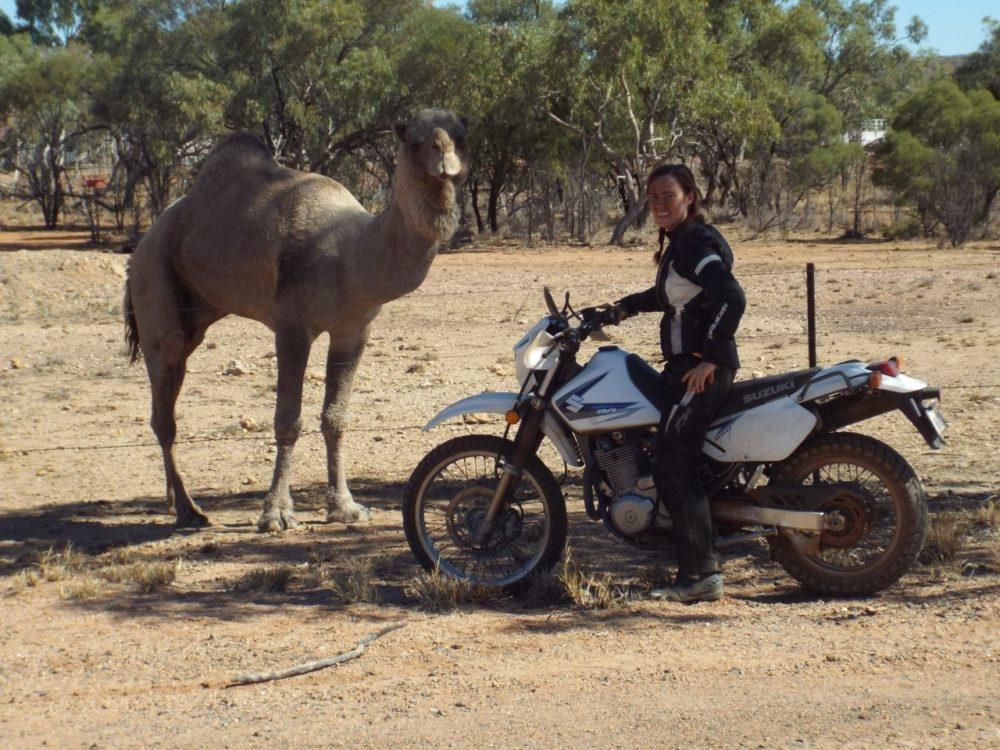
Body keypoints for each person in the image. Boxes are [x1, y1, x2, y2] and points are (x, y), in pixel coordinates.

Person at [583, 163, 746, 603]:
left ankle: (701, 576)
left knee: (674, 461)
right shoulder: (681, 245)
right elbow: (671, 297)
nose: (658, 204)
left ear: (690, 196)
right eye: (652, 197)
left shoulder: (696, 243)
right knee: (665, 447)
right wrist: (620, 309)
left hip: (701, 371)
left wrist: (711, 357)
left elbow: (731, 296)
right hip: (685, 367)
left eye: (667, 196)